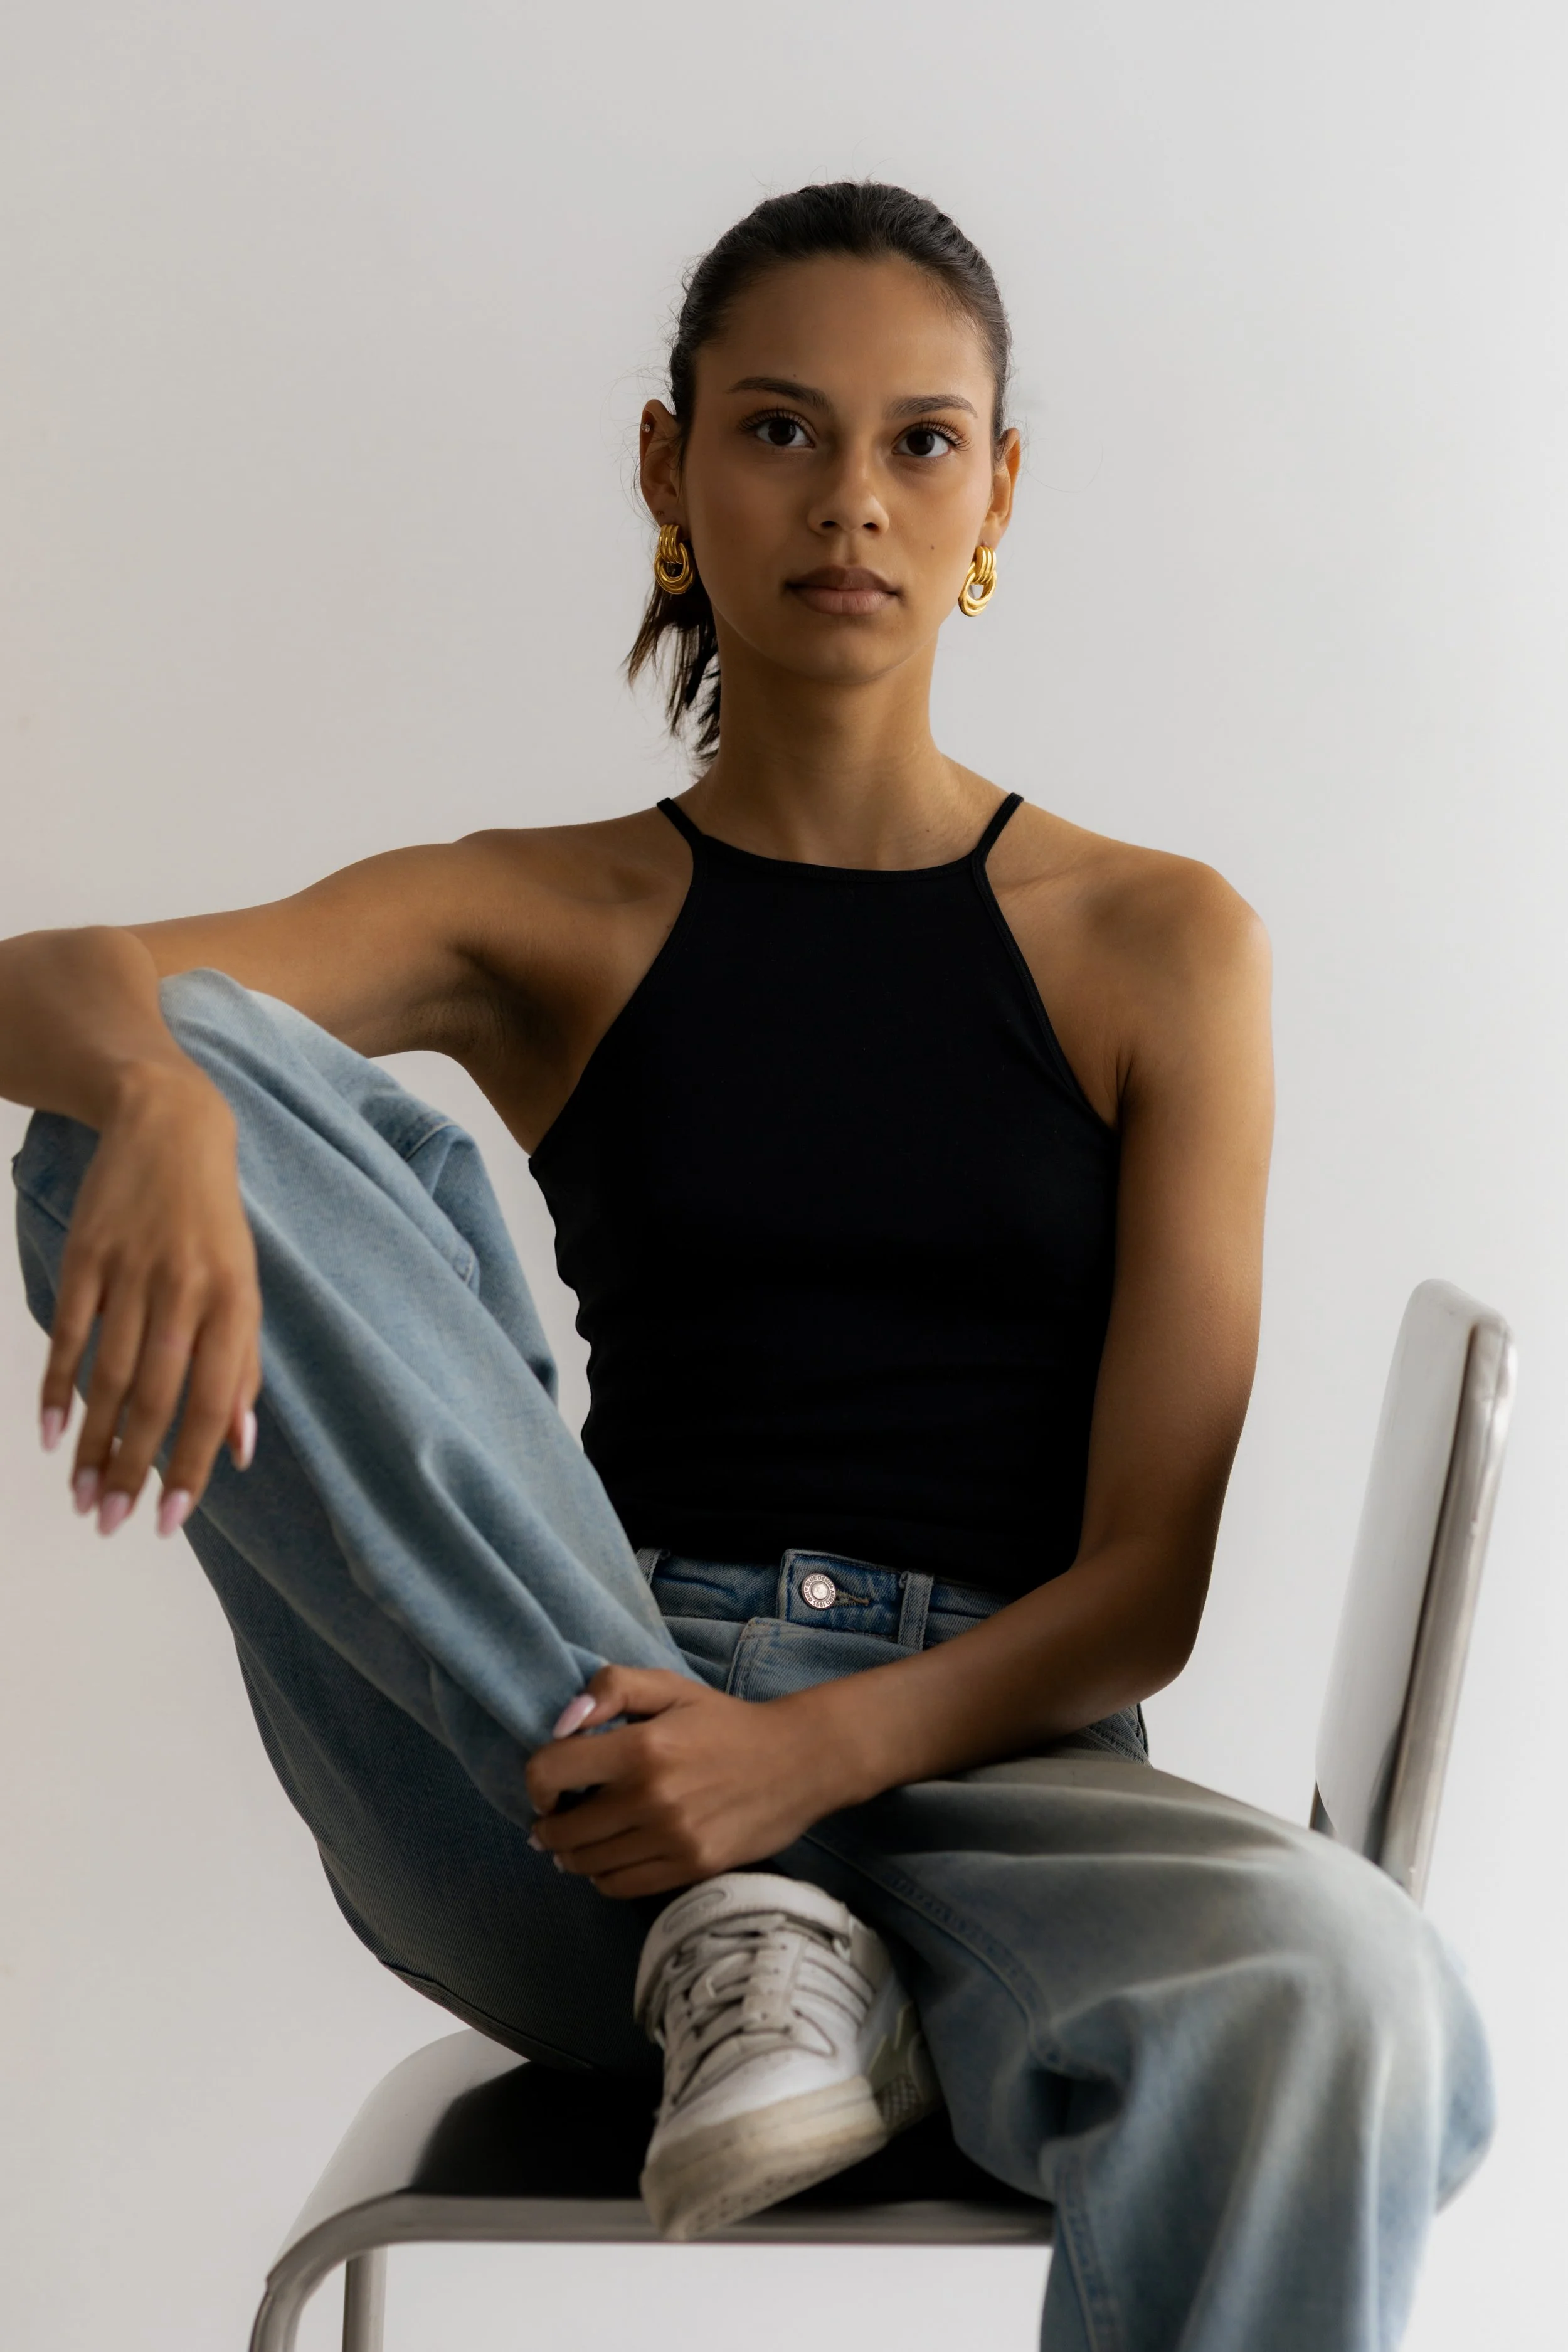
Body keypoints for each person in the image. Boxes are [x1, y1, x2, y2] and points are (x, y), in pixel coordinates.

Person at [3, 182, 1490, 2348]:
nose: (853, 503)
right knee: (151, 1074)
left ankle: (815, 1947)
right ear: (668, 464)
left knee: (1352, 1991)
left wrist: (799, 1768)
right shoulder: (553, 913)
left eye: (918, 440)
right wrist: (155, 1103)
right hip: (582, 1764)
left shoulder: (1163, 942)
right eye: (782, 430)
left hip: (1009, 1782)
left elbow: (1146, 1580)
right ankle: (745, 1943)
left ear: (995, 486)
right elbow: (57, 982)